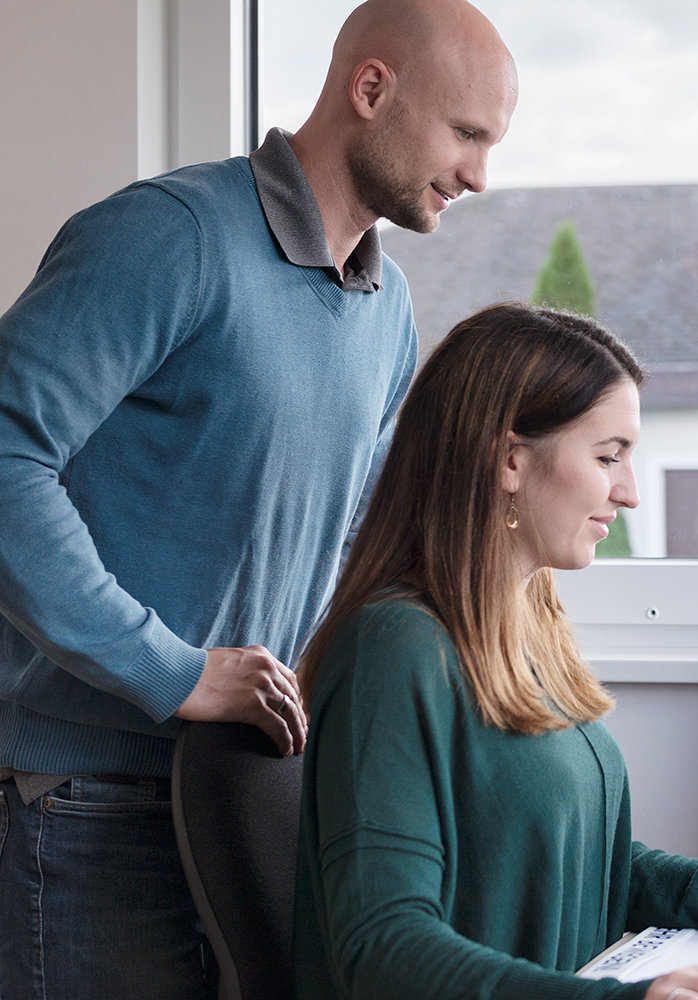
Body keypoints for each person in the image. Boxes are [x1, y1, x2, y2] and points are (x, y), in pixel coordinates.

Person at [0, 2, 518, 997]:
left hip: (245, 797)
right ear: (371, 91)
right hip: (88, 802)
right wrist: (175, 670)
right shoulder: (171, 236)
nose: (479, 176)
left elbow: (356, 551)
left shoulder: (388, 312)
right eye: (465, 134)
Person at [293, 302, 698, 1000]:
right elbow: (383, 948)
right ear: (510, 460)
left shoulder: (529, 625)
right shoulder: (394, 650)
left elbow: (604, 872)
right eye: (609, 456)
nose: (627, 492)